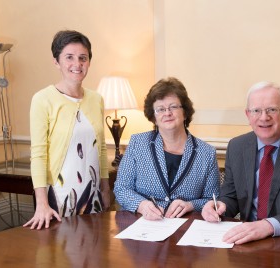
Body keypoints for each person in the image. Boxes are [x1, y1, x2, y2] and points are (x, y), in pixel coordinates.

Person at [201, 81, 280, 267]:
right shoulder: (237, 146)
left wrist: (268, 225)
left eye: (271, 110)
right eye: (256, 111)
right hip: (248, 247)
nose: (263, 117)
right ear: (247, 115)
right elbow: (231, 196)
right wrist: (218, 207)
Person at [24, 30, 110, 230]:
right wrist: (42, 203)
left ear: (89, 61)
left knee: (95, 255)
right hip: (60, 196)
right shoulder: (42, 99)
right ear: (57, 61)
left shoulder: (96, 99)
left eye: (83, 58)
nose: (77, 64)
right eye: (69, 57)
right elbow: (38, 155)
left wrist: (106, 189)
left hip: (93, 194)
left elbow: (102, 148)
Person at [114, 77, 220, 220]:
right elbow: (121, 188)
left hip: (185, 227)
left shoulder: (206, 153)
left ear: (185, 112)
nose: (167, 113)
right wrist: (142, 205)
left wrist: (190, 205)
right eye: (160, 109)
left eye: (173, 107)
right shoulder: (137, 143)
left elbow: (212, 200)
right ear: (153, 117)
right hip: (142, 225)